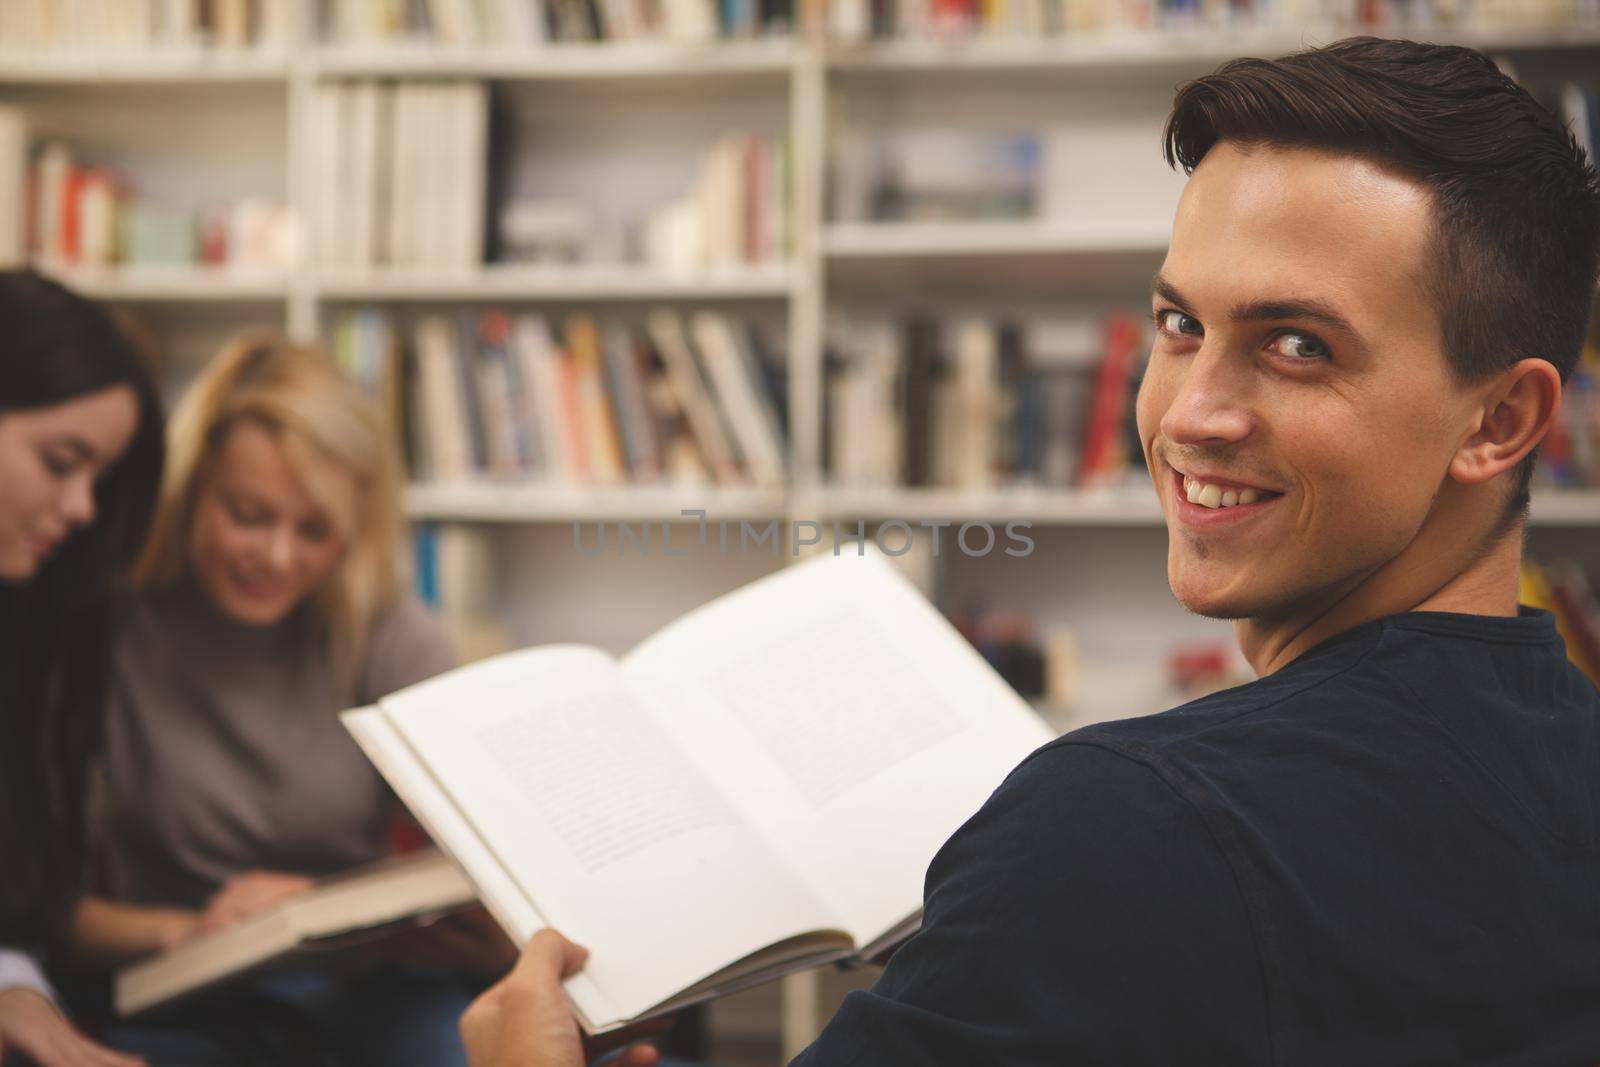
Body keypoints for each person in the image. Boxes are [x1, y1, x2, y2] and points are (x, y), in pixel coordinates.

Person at [459, 36, 1600, 1067]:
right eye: (1178, 325)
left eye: (1297, 345)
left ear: (1498, 420)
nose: (1188, 413)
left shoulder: (1127, 818)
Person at [72, 336, 508, 1067]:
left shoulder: (385, 628)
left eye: (314, 530)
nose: (278, 557)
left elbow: (486, 849)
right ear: (193, 489)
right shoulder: (114, 626)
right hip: (177, 991)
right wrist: (188, 929)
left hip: (368, 993)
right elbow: (42, 912)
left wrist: (484, 928)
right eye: (248, 514)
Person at [0, 271, 165, 1067]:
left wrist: (14, 991)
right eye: (60, 460)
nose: (80, 508)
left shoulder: (33, 630)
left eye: (96, 477)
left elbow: (17, 909)